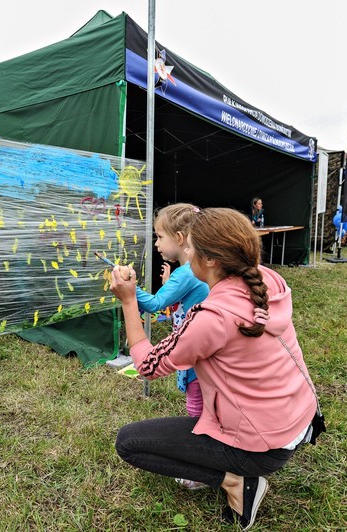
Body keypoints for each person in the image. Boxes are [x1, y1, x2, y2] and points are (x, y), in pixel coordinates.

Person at [111, 208, 318, 530]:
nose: (186, 253)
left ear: (209, 259)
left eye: (189, 248)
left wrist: (128, 302)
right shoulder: (268, 279)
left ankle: (235, 481)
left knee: (129, 442)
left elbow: (148, 365)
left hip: (261, 447)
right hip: (297, 421)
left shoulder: (213, 317)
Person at [134, 203, 210, 489]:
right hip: (202, 351)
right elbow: (176, 306)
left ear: (179, 238)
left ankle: (202, 466)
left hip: (194, 356)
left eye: (159, 237)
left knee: (196, 410)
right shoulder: (190, 271)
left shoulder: (185, 273)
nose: (156, 244)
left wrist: (130, 288)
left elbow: (154, 305)